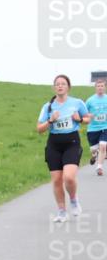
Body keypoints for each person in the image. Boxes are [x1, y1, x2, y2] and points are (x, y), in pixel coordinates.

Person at [37, 75, 90, 222]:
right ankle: (61, 212)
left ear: (68, 87)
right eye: (57, 84)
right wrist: (50, 120)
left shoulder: (77, 103)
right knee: (56, 180)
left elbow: (87, 119)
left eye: (63, 84)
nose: (60, 86)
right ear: (54, 87)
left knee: (69, 177)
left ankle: (73, 200)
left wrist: (79, 119)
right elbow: (39, 129)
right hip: (54, 144)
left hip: (72, 142)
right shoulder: (48, 107)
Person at [86, 78, 107, 176]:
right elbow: (84, 113)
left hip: (105, 127)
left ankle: (99, 167)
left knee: (103, 146)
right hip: (92, 129)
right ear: (95, 88)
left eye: (102, 86)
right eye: (98, 86)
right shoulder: (90, 100)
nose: (100, 88)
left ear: (105, 87)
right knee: (94, 149)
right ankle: (94, 155)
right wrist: (89, 115)